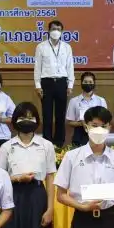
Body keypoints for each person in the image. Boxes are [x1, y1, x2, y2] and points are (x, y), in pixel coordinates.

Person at [34, 19, 74, 147]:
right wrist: (38, 85)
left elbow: (70, 67)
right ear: (48, 31)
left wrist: (70, 85)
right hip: (46, 83)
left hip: (62, 82)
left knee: (60, 115)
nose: (55, 31)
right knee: (47, 115)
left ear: (62, 32)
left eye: (58, 29)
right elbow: (37, 67)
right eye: (53, 29)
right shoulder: (41, 47)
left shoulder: (67, 47)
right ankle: (47, 143)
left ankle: (59, 143)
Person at [66, 71, 108, 147]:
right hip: (79, 134)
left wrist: (94, 124)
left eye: (90, 82)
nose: (88, 84)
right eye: (85, 82)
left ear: (94, 83)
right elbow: (69, 122)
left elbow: (106, 121)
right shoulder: (74, 101)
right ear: (81, 83)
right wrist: (82, 123)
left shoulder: (101, 100)